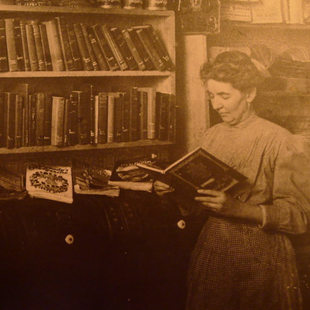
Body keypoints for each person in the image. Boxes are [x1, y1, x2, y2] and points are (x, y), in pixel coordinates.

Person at [154, 50, 310, 310]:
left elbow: (299, 218)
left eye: (225, 96)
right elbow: (198, 201)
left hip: (263, 259)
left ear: (249, 94)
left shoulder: (282, 140)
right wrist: (172, 189)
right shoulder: (212, 136)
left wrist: (239, 209)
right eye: (212, 96)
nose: (216, 105)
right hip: (213, 252)